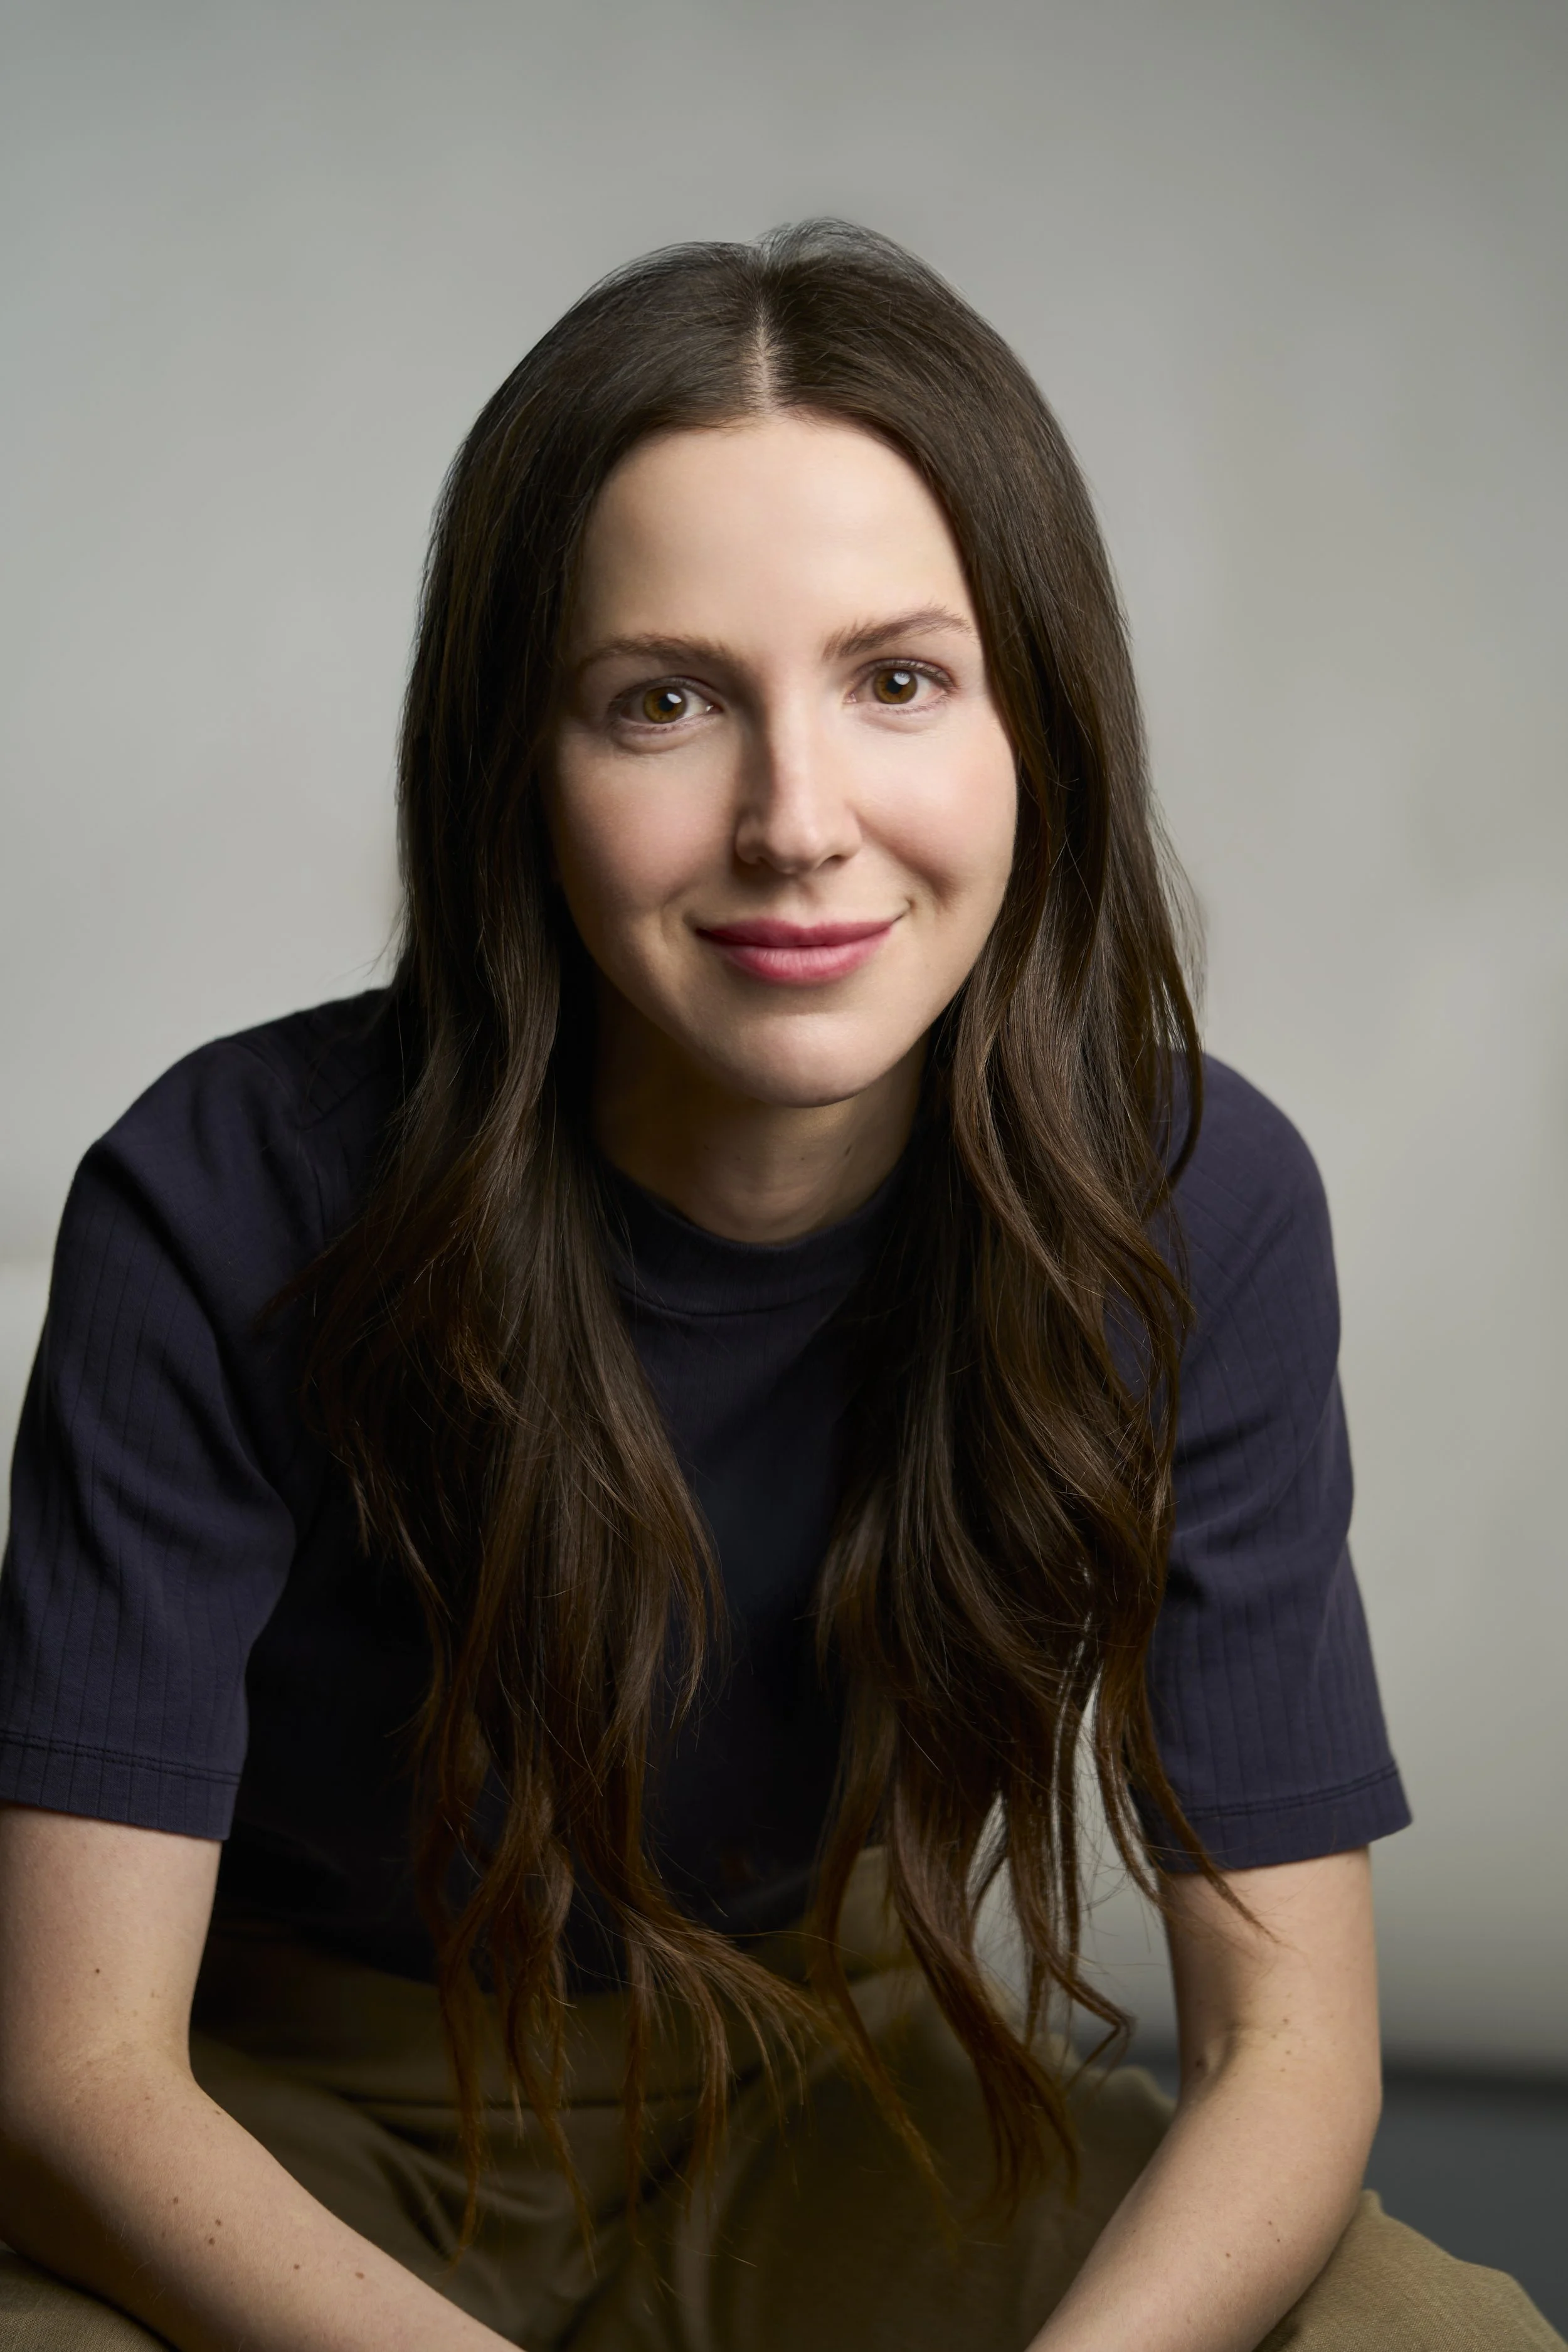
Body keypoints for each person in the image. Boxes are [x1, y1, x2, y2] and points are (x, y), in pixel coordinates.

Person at [0, 221, 1557, 2352]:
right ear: (515, 762)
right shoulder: (220, 1196)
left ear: (1034, 728)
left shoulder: (1196, 1202)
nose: (795, 821)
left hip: (849, 2105)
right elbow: (74, 2079)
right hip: (277, 2124)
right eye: (662, 701)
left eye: (897, 679)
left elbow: (1285, 2053)